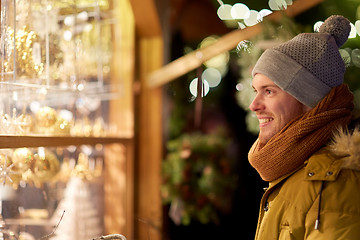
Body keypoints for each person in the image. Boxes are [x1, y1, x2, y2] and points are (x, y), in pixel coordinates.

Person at [247, 15, 360, 239]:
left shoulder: (336, 182)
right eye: (255, 91)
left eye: (268, 91)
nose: (254, 105)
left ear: (308, 99)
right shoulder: (291, 169)